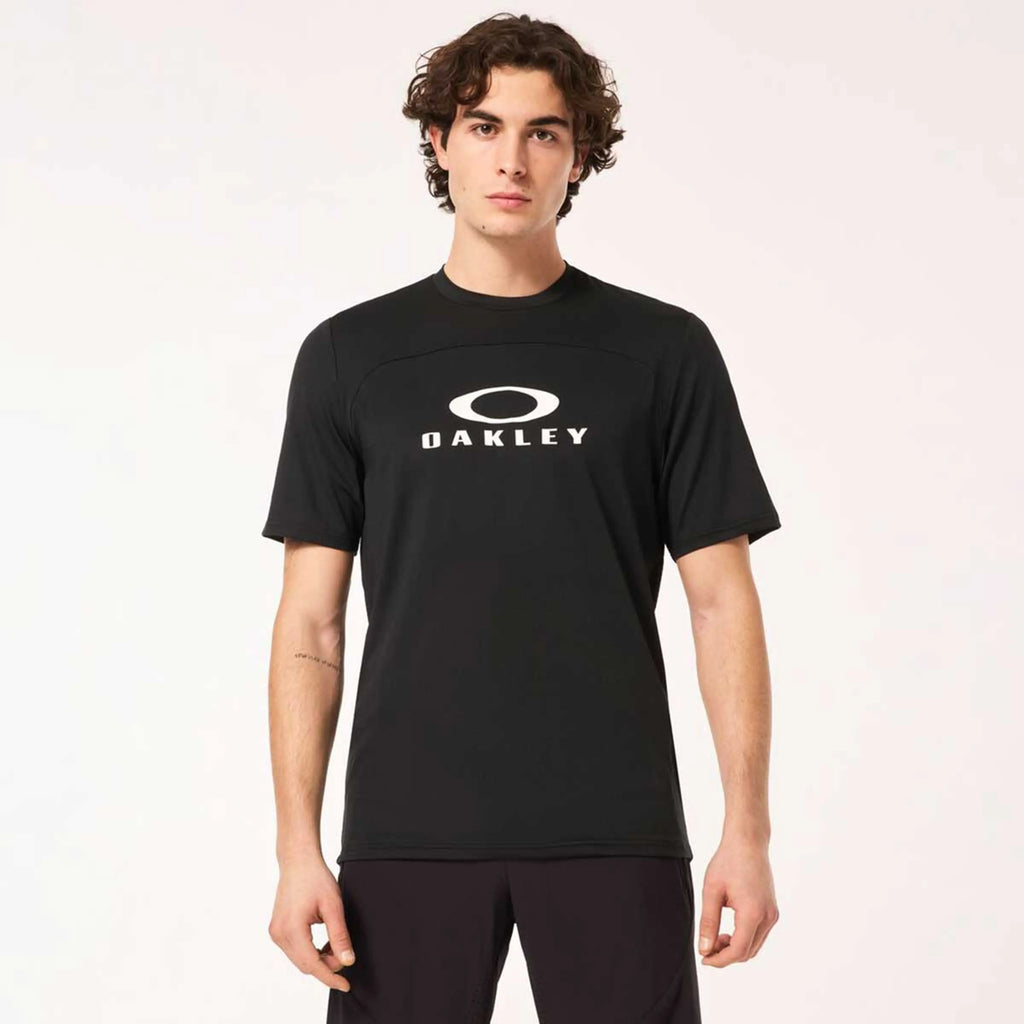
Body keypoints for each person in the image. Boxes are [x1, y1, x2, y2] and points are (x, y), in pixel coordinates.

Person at [261, 13, 781, 1023]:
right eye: (484, 126)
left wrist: (747, 831)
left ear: (578, 153)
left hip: (615, 826)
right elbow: (310, 624)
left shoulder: (662, 352)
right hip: (406, 833)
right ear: (438, 142)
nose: (512, 159)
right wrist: (296, 850)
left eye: (543, 132)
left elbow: (722, 602)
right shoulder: (350, 357)